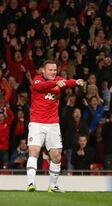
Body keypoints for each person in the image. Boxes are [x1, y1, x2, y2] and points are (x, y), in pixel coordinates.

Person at [26, 60, 84, 192]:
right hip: (37, 123)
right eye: (50, 70)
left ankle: (52, 186)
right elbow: (41, 87)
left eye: (54, 70)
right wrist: (56, 83)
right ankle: (30, 183)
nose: (53, 72)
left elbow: (67, 82)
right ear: (43, 71)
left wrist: (76, 82)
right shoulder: (37, 80)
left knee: (57, 156)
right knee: (34, 151)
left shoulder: (58, 80)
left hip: (53, 124)